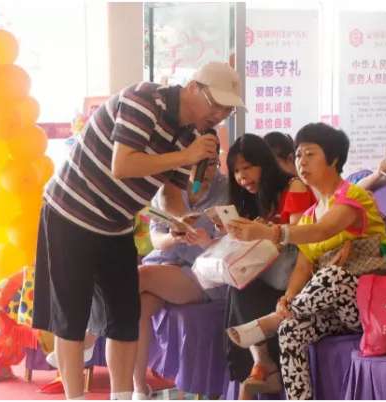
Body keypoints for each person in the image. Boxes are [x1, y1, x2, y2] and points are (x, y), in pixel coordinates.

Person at [32, 61, 244, 400]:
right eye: (215, 105)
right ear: (193, 87)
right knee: (71, 316)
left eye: (227, 110)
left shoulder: (192, 136)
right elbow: (123, 164)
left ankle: (122, 395)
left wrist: (181, 220)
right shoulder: (144, 100)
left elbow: (171, 193)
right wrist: (184, 156)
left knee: (125, 316)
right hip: (71, 214)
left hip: (117, 225)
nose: (219, 115)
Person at [225, 123, 386, 399]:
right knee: (290, 330)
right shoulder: (309, 214)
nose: (301, 161)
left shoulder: (353, 196)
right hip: (332, 312)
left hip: (372, 305)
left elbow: (323, 231)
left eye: (310, 154)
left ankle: (272, 320)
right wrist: (287, 297)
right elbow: (303, 265)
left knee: (332, 276)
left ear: (333, 159)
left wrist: (270, 232)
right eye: (298, 155)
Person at [131, 143, 229, 398]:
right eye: (197, 163)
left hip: (202, 272)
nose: (204, 172)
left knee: (138, 277)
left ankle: (88, 335)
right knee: (138, 309)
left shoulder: (227, 189)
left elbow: (231, 243)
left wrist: (207, 239)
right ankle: (138, 388)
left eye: (211, 163)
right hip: (165, 265)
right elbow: (157, 240)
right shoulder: (168, 187)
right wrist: (174, 237)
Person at [224, 133, 315, 399]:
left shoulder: (293, 187)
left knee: (242, 287)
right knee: (237, 284)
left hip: (298, 275)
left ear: (264, 162)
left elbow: (299, 238)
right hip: (271, 275)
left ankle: (264, 366)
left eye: (247, 167)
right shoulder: (252, 198)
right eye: (236, 171)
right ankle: (261, 362)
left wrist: (263, 232)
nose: (242, 177)